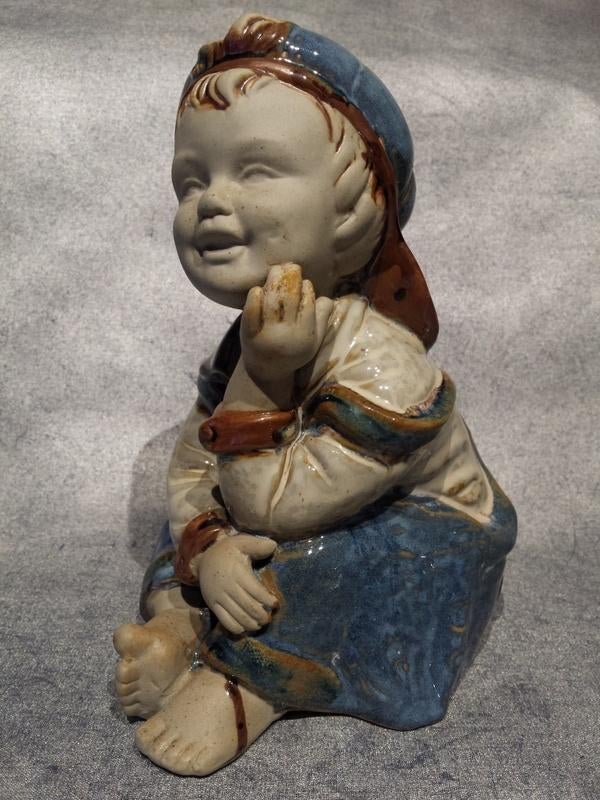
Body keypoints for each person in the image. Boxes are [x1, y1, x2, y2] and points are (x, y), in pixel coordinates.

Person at [113, 14, 516, 777]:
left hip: (423, 534)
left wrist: (265, 379)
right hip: (279, 511)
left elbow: (282, 511)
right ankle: (179, 634)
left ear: (356, 205)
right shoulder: (250, 338)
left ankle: (246, 685)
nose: (208, 201)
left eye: (255, 170)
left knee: (310, 562)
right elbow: (197, 465)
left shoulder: (385, 365)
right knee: (186, 551)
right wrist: (211, 541)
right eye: (190, 181)